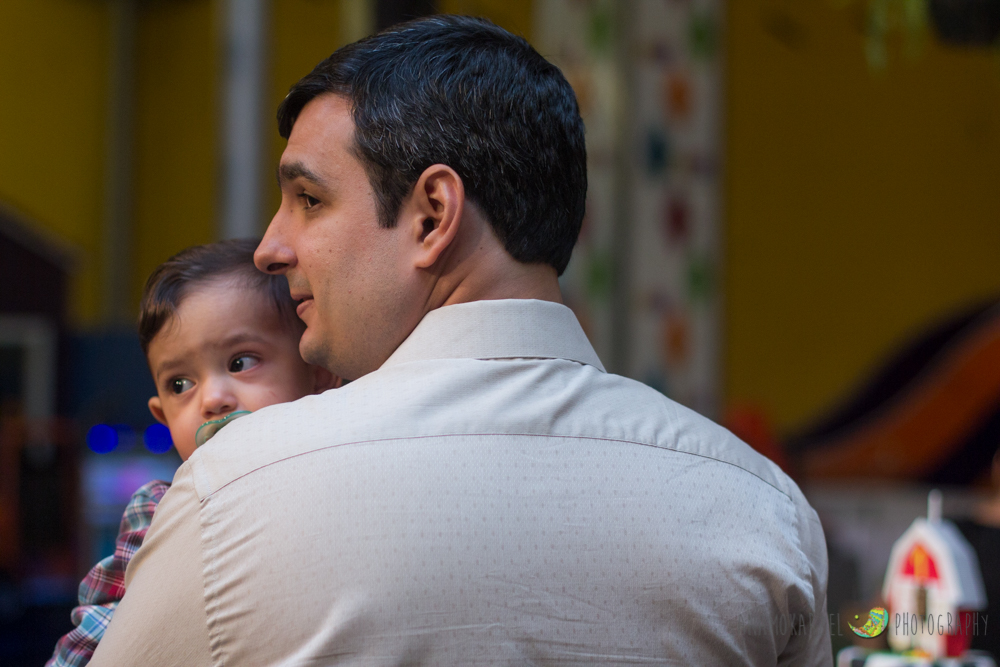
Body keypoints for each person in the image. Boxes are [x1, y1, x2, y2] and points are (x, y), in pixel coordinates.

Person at [91, 16, 831, 666]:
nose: (271, 247)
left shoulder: (235, 495)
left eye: (308, 200)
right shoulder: (763, 513)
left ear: (432, 214)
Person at [48, 239, 338, 666]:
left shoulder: (342, 478)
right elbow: (98, 632)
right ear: (162, 417)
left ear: (319, 375)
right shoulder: (158, 512)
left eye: (241, 362)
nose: (213, 399)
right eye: (180, 385)